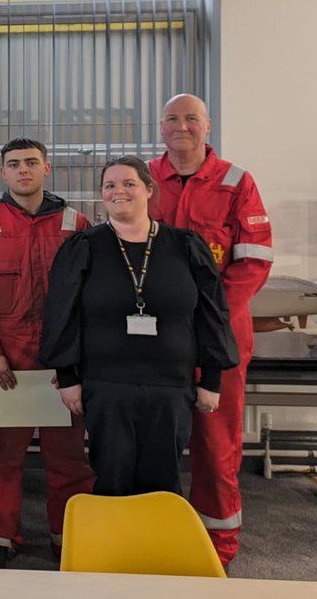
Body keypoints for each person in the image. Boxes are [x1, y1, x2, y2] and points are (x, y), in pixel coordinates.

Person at [40, 156, 239, 499]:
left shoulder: (186, 246)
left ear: (148, 189)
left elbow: (212, 314)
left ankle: (156, 552)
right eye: (110, 185)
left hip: (171, 387)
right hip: (106, 385)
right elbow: (62, 314)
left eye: (128, 183)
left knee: (163, 481)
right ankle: (115, 552)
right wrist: (68, 378)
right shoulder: (83, 247)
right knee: (112, 478)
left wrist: (210, 379)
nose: (119, 191)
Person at [149, 93, 273, 566]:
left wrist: (208, 315)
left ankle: (216, 549)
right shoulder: (143, 179)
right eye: (172, 119)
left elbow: (254, 260)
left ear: (208, 126)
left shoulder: (237, 182)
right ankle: (156, 535)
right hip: (156, 338)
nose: (182, 126)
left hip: (218, 339)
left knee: (216, 446)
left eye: (191, 119)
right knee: (154, 442)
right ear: (161, 128)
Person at [0, 138, 95, 567]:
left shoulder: (78, 225)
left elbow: (89, 302)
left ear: (47, 169)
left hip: (63, 368)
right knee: (1, 455)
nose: (23, 170)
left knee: (70, 458)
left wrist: (73, 359)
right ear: (2, 173)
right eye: (14, 164)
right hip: (7, 366)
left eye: (32, 163)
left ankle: (69, 537)